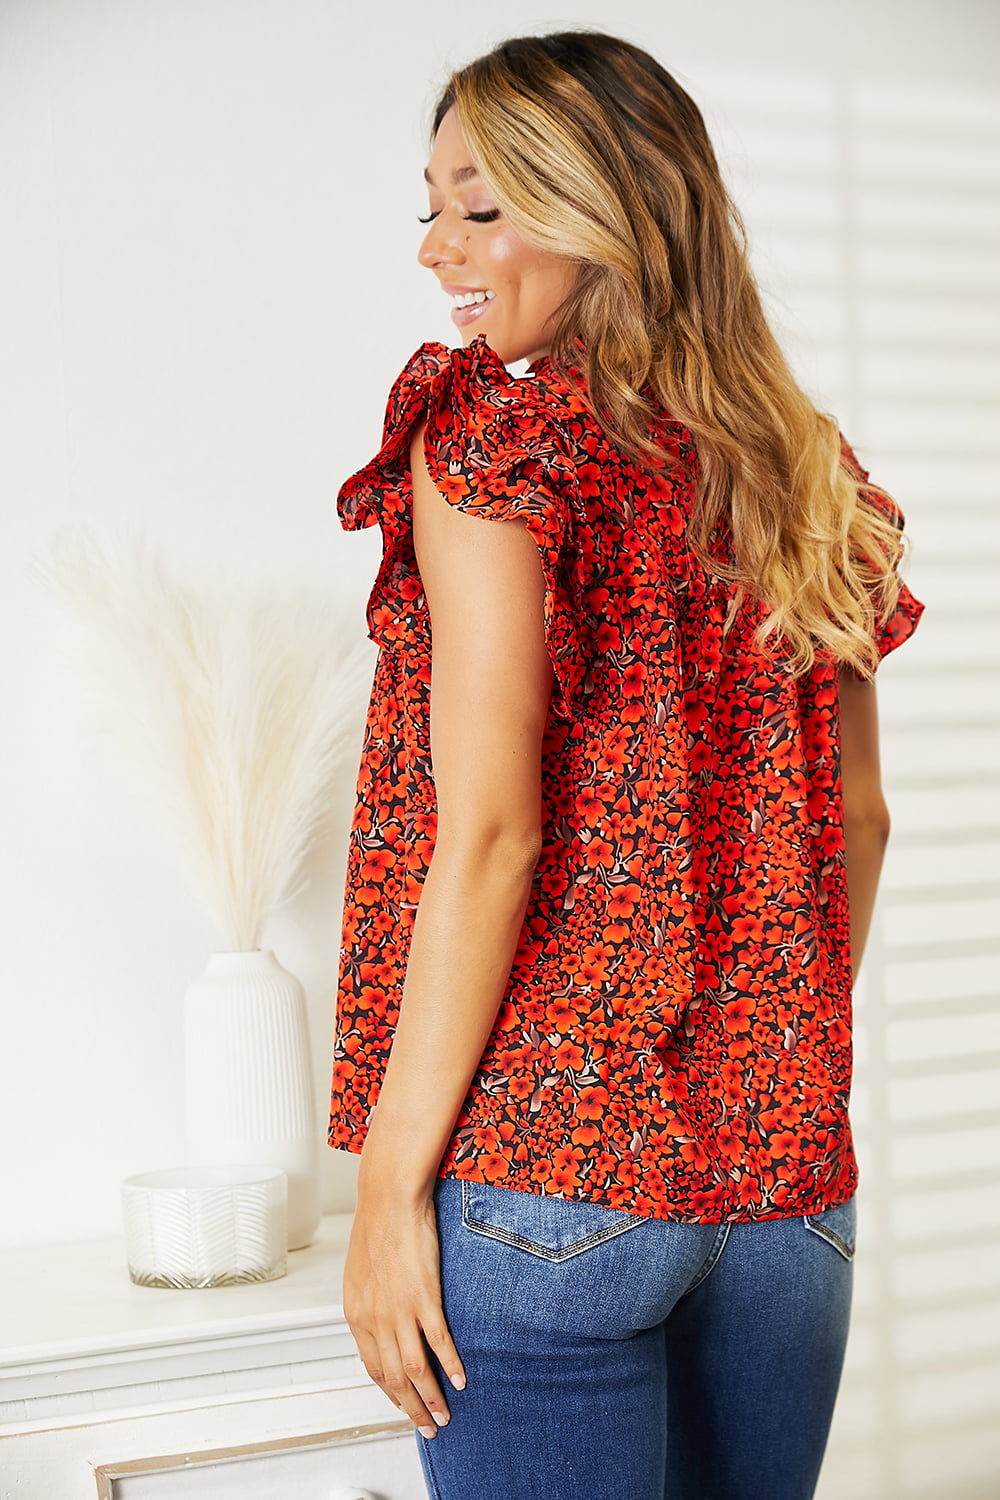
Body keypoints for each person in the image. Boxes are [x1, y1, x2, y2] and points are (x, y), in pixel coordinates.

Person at [328, 29, 923, 1500]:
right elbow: (858, 816)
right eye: (430, 208)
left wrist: (389, 1191)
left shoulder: (497, 442)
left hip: (551, 1175)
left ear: (608, 212)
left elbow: (492, 835)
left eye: (480, 208)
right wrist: (758, 1048)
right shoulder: (803, 465)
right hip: (785, 1194)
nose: (435, 249)